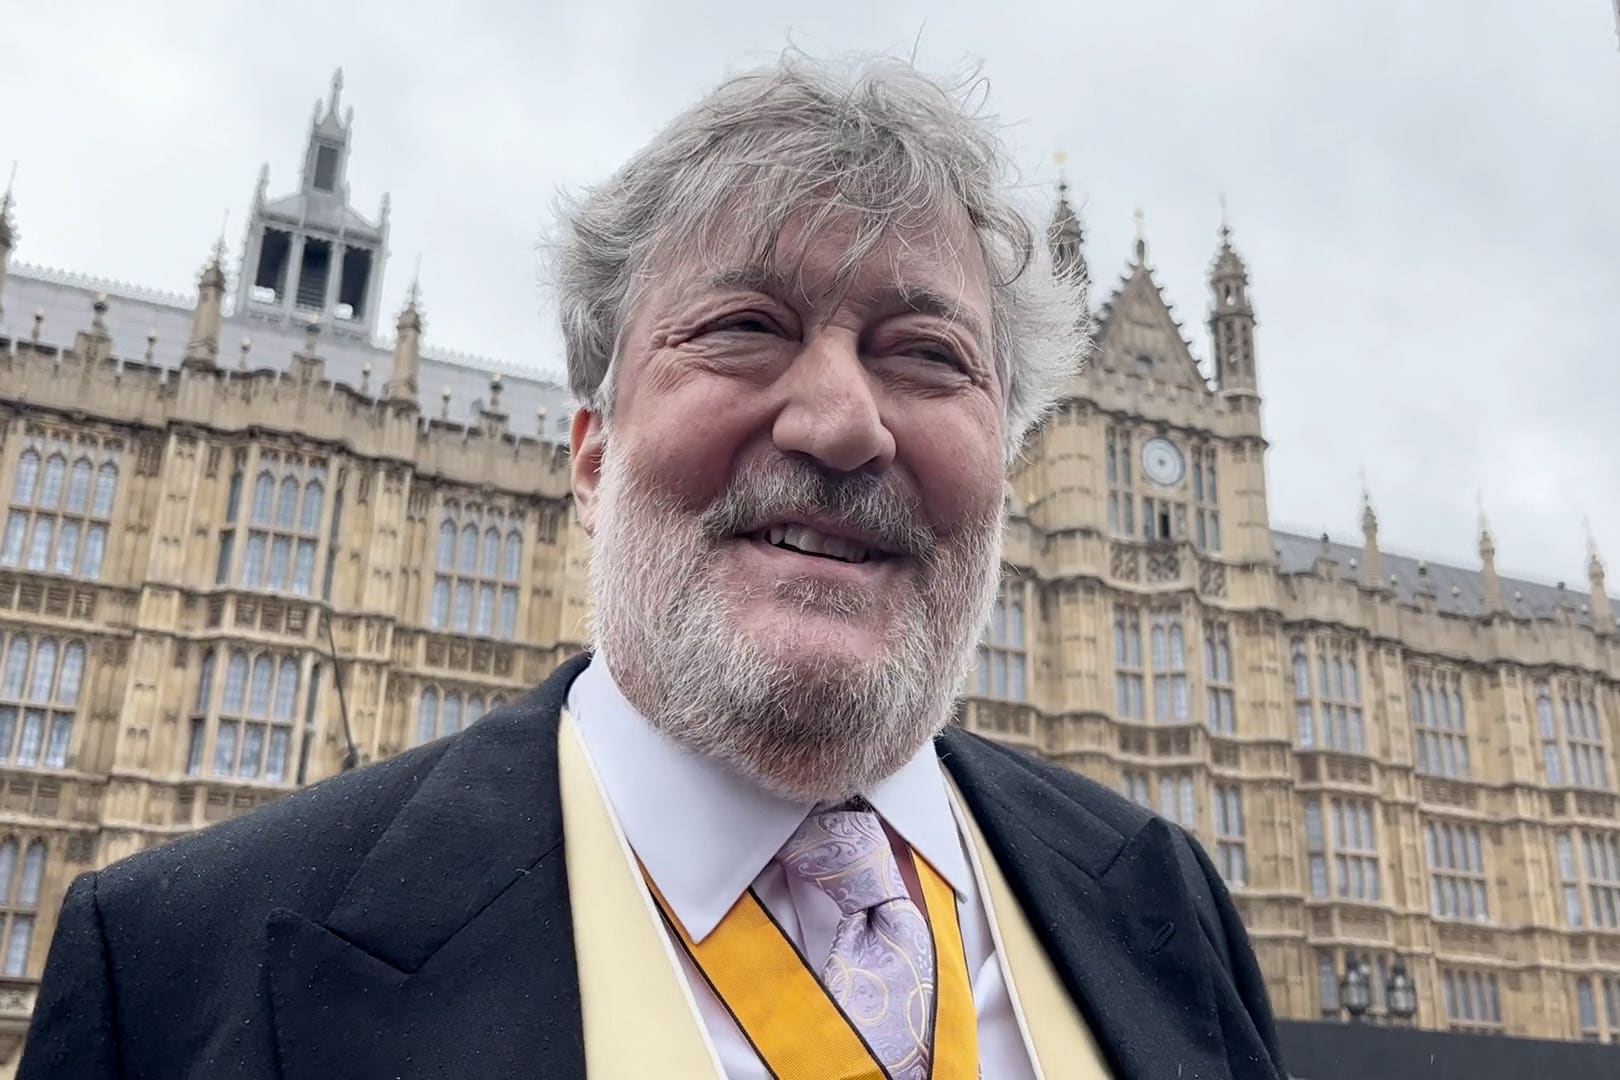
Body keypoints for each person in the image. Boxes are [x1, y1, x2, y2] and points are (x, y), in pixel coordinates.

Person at [20, 54, 1285, 1080]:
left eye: (926, 353)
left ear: (1010, 461)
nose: (841, 423)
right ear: (588, 457)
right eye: (745, 329)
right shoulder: (175, 978)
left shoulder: (1167, 910)